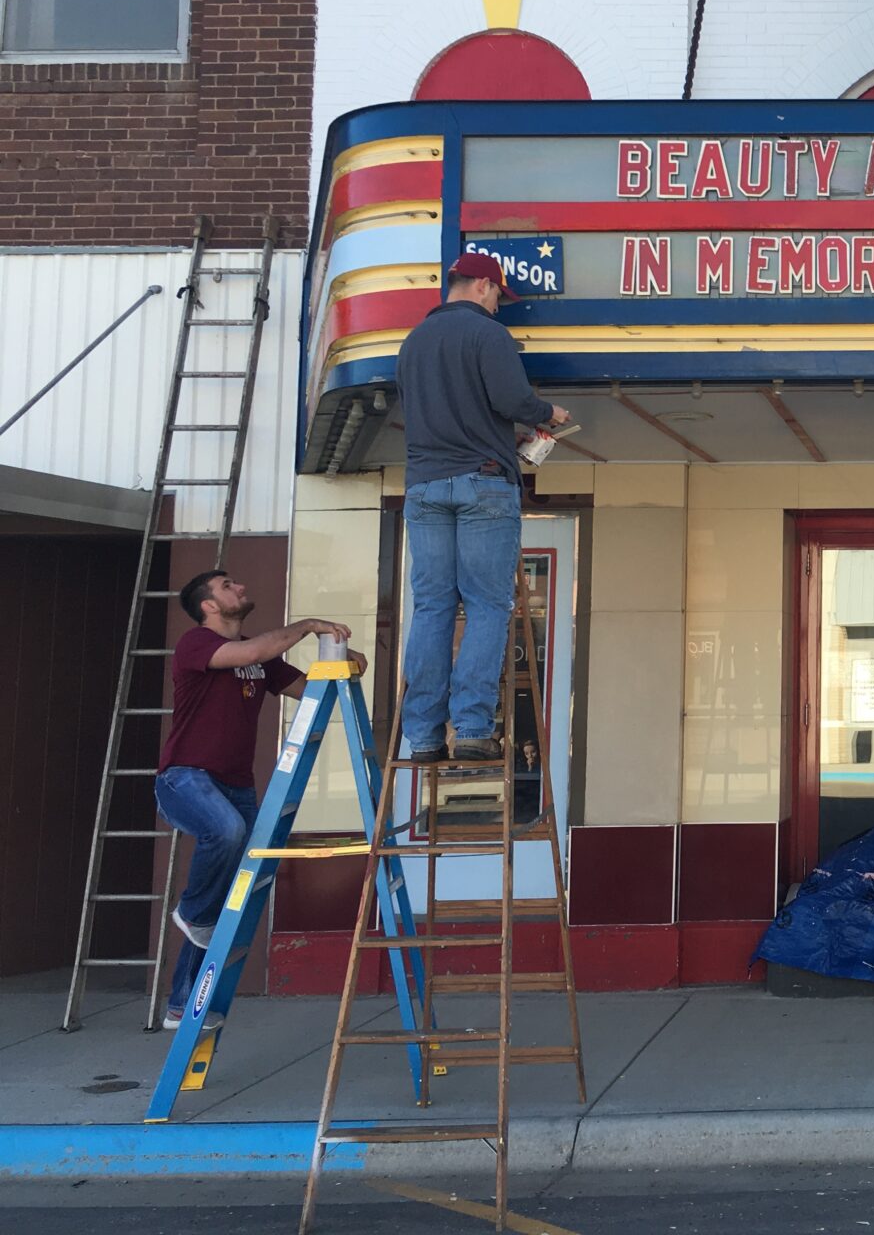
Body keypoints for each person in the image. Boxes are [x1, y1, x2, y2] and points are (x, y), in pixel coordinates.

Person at [157, 569, 360, 1027]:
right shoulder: (197, 643)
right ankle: (190, 911)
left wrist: (341, 664)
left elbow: (305, 688)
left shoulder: (257, 658)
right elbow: (253, 651)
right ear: (208, 605)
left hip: (235, 784)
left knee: (221, 905)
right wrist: (308, 624)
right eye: (228, 586)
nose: (242, 587)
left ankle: (182, 1003)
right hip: (185, 778)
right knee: (225, 835)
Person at [395, 250, 569, 763]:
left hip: (425, 484)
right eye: (497, 295)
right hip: (484, 485)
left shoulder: (413, 342)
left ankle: (423, 736)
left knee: (432, 608)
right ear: (481, 287)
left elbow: (441, 412)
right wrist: (548, 413)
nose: (498, 305)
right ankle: (472, 728)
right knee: (488, 605)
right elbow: (512, 399)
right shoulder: (488, 335)